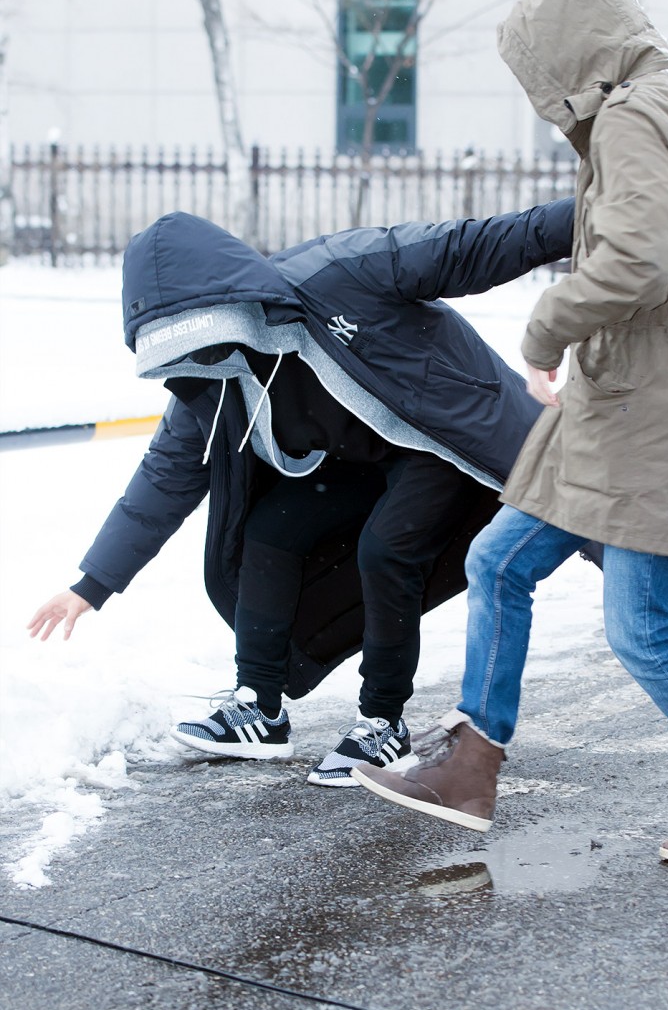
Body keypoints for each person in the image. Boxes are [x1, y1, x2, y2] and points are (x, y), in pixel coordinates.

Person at [352, 0, 668, 865]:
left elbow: (635, 258)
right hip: (631, 390)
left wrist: (546, 328)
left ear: (566, 56)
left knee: (641, 627)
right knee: (499, 559)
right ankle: (470, 766)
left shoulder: (635, 114)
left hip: (653, 396)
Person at [28, 201, 592, 787]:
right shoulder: (210, 377)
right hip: (360, 461)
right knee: (270, 530)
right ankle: (260, 708)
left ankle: (382, 722)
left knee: (387, 548)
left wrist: (598, 208)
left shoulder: (342, 274)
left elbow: (473, 246)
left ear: (228, 303)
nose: (201, 355)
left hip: (441, 442)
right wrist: (91, 584)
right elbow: (164, 478)